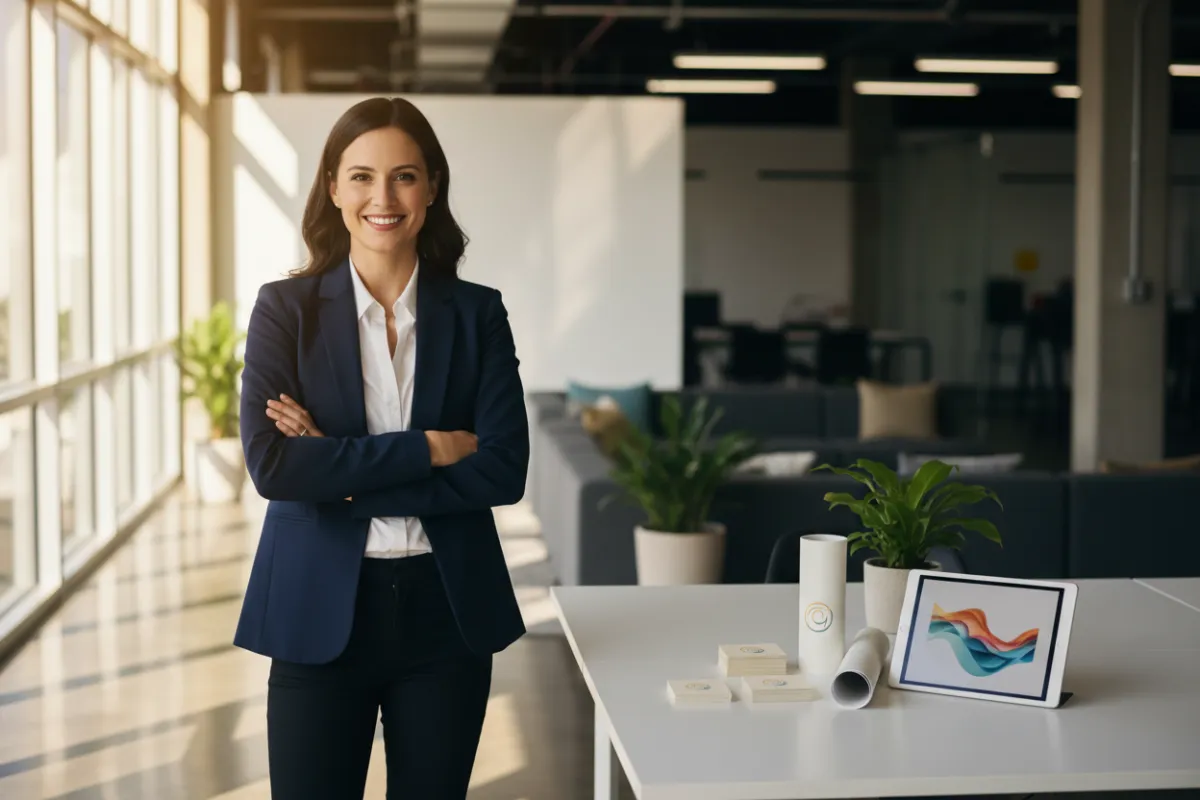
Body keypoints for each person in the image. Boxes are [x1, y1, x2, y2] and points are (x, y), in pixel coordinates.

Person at [232, 96, 528, 799]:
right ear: (333, 187)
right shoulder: (285, 310)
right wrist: (429, 448)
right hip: (315, 606)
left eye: (404, 176)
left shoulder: (477, 313)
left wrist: (335, 468)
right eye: (362, 176)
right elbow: (274, 467)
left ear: (432, 188)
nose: (383, 198)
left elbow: (503, 471)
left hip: (446, 614)